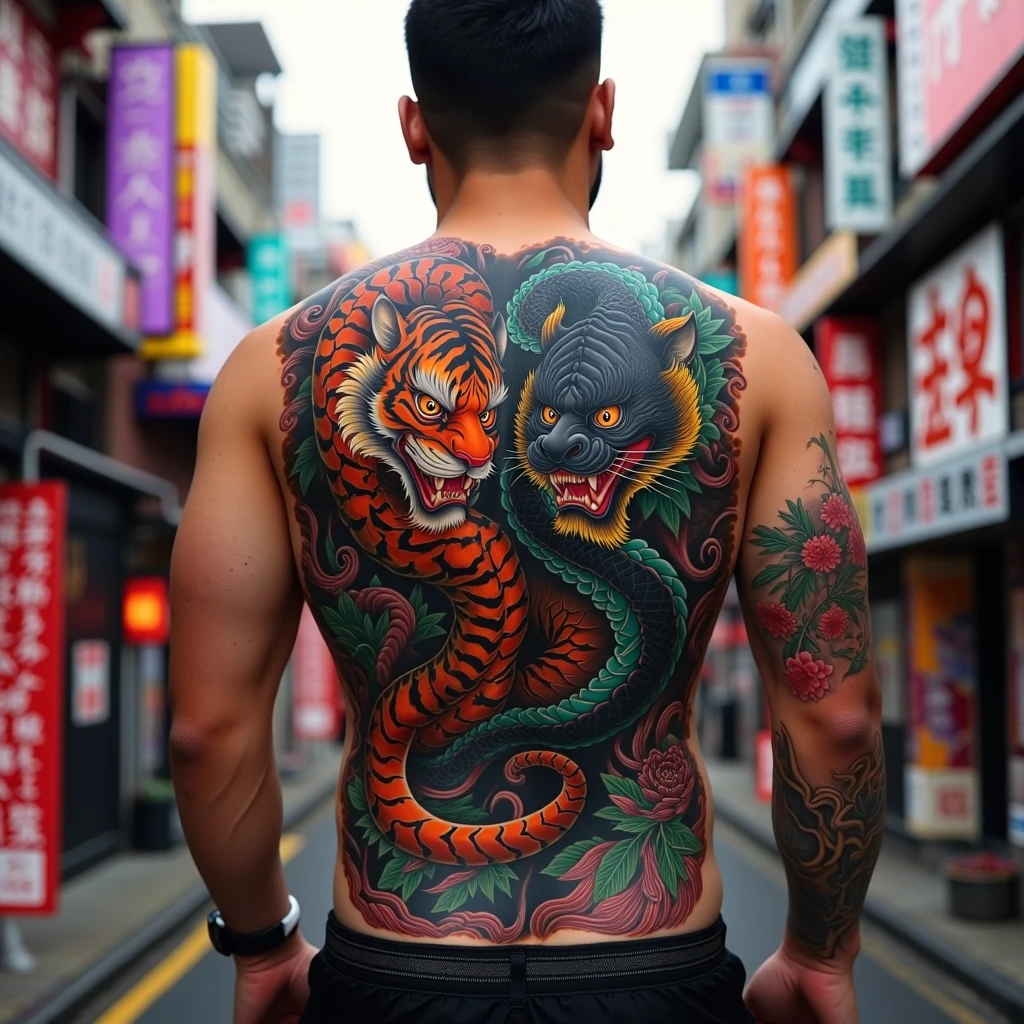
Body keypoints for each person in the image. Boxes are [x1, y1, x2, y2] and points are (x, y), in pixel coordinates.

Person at [168, 1, 885, 1022]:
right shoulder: (753, 354)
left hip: (394, 966)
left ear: (414, 126)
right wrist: (820, 950)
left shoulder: (268, 370)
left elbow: (209, 728)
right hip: (653, 966)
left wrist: (257, 941)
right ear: (601, 113)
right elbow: (836, 716)